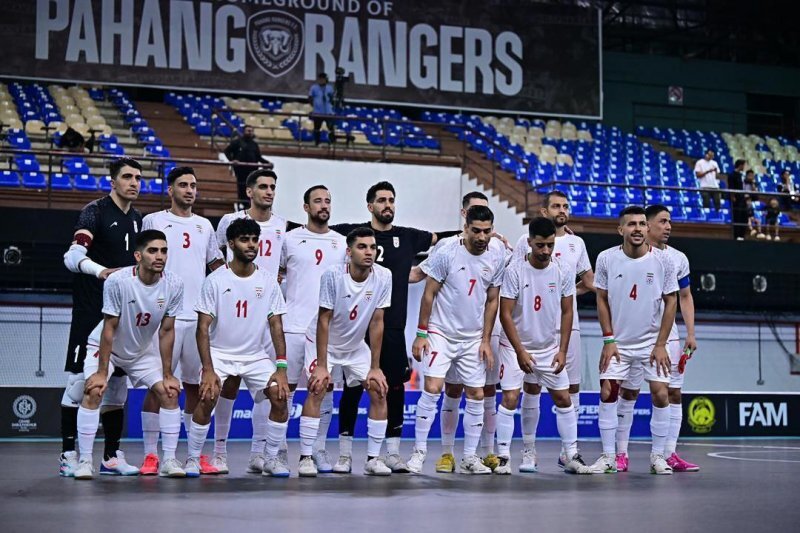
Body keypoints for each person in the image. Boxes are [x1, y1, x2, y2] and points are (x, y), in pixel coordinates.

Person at [328, 182, 447, 474]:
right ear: (370, 206)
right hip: (356, 329)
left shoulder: (407, 237)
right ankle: (345, 455)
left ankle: (391, 453)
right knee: (353, 389)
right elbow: (313, 232)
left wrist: (483, 235)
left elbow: (442, 238)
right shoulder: (352, 233)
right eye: (381, 200)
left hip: (392, 328)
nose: (388, 205)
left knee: (393, 388)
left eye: (391, 200)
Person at [409, 192, 509, 473]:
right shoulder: (447, 251)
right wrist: (421, 333)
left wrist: (485, 340)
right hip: (441, 333)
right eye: (476, 231)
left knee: (477, 393)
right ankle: (419, 453)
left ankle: (469, 458)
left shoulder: (497, 254)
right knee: (433, 388)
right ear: (465, 227)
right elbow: (429, 294)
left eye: (487, 231)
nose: (482, 236)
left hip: (473, 338)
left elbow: (492, 300)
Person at [73, 230, 185, 479]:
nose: (159, 256)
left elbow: (167, 331)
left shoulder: (175, 284)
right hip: (107, 348)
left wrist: (168, 373)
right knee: (94, 391)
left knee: (169, 393)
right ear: (138, 255)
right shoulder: (118, 281)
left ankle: (169, 460)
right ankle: (84, 461)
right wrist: (102, 372)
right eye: (152, 251)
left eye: (164, 251)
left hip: (142, 352)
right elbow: (109, 328)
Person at [60, 157, 144, 477]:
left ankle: (111, 456)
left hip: (122, 315)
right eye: (127, 177)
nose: (133, 183)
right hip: (90, 309)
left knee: (117, 385)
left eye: (138, 178)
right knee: (78, 382)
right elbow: (72, 257)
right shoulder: (94, 212)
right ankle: (68, 455)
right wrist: (102, 272)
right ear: (113, 181)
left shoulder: (138, 219)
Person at [188, 218, 291, 477]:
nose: (252, 245)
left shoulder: (268, 281)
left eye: (255, 240)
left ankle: (270, 459)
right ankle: (193, 459)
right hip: (220, 354)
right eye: (245, 240)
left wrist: (281, 367)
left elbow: (276, 325)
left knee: (280, 396)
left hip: (255, 356)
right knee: (208, 396)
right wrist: (208, 369)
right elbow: (202, 328)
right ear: (231, 244)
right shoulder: (215, 280)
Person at [140, 167, 225, 475]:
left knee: (195, 387)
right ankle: (152, 455)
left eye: (193, 185)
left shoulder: (205, 225)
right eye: (183, 185)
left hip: (198, 318)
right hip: (165, 316)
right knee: (159, 386)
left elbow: (216, 265)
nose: (190, 190)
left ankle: (193, 455)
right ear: (170, 190)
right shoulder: (154, 220)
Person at [496, 217, 591, 475]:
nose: (546, 251)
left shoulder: (562, 270)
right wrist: (520, 351)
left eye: (550, 245)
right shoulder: (515, 270)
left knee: (563, 398)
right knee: (511, 398)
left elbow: (568, 311)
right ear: (529, 242)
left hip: (548, 347)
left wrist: (562, 350)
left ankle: (571, 454)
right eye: (540, 245)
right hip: (514, 346)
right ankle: (506, 456)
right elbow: (505, 314)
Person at [588, 206, 678, 475]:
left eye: (641, 224)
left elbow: (671, 301)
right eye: (631, 224)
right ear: (621, 229)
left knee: (661, 393)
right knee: (607, 392)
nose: (637, 228)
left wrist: (660, 344)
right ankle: (609, 456)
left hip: (652, 344)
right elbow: (601, 299)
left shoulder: (664, 261)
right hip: (618, 344)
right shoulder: (606, 258)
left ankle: (657, 456)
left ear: (647, 228)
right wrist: (608, 339)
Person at [298, 228, 393, 477]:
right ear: (349, 252)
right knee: (318, 388)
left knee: (378, 389)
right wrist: (321, 365)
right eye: (362, 247)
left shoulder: (384, 276)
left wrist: (375, 367)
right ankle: (305, 457)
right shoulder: (333, 275)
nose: (369, 252)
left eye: (372, 247)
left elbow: (377, 322)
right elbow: (324, 320)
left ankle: (373, 459)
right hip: (324, 343)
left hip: (354, 346)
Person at [614, 205, 699, 473]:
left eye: (669, 222)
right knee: (628, 392)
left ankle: (668, 454)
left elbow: (685, 296)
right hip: (633, 336)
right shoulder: (625, 257)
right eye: (662, 221)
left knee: (671, 392)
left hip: (668, 337)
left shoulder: (678, 258)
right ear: (648, 225)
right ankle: (620, 454)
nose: (668, 226)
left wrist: (691, 332)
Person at [213, 169, 287, 474]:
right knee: (228, 384)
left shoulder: (282, 225)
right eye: (263, 186)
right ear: (249, 191)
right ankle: (219, 452)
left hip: (265, 313)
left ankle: (260, 454)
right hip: (233, 312)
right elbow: (216, 259)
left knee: (268, 389)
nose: (269, 191)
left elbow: (283, 265)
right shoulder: (229, 221)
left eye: (273, 187)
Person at [278, 185, 347, 473]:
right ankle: (279, 449)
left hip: (326, 330)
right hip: (293, 326)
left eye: (328, 201)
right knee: (285, 390)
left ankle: (317, 449)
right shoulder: (290, 239)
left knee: (325, 388)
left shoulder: (342, 243)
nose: (324, 205)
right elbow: (278, 275)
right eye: (318, 201)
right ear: (306, 207)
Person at [223, 125, 263, 205]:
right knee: (242, 187)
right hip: (241, 170)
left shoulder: (254, 144)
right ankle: (243, 203)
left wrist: (267, 163)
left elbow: (258, 157)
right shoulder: (237, 142)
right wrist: (232, 160)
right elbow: (227, 151)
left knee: (252, 187)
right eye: (248, 130)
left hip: (252, 171)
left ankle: (250, 203)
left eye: (251, 131)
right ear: (244, 131)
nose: (250, 132)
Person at [309, 73, 335, 146]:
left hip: (328, 111)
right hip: (318, 112)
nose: (321, 80)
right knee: (317, 128)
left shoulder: (329, 88)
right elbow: (310, 97)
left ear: (326, 80)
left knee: (330, 128)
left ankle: (332, 143)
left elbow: (332, 99)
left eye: (323, 79)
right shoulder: (314, 87)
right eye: (320, 79)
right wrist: (314, 105)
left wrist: (330, 100)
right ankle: (317, 142)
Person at [728, 159, 748, 241]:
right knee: (737, 217)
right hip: (736, 199)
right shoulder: (732, 175)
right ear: (740, 165)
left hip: (742, 198)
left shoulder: (741, 175)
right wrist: (733, 196)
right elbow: (731, 187)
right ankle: (737, 236)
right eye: (743, 165)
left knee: (744, 217)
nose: (744, 167)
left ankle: (742, 235)